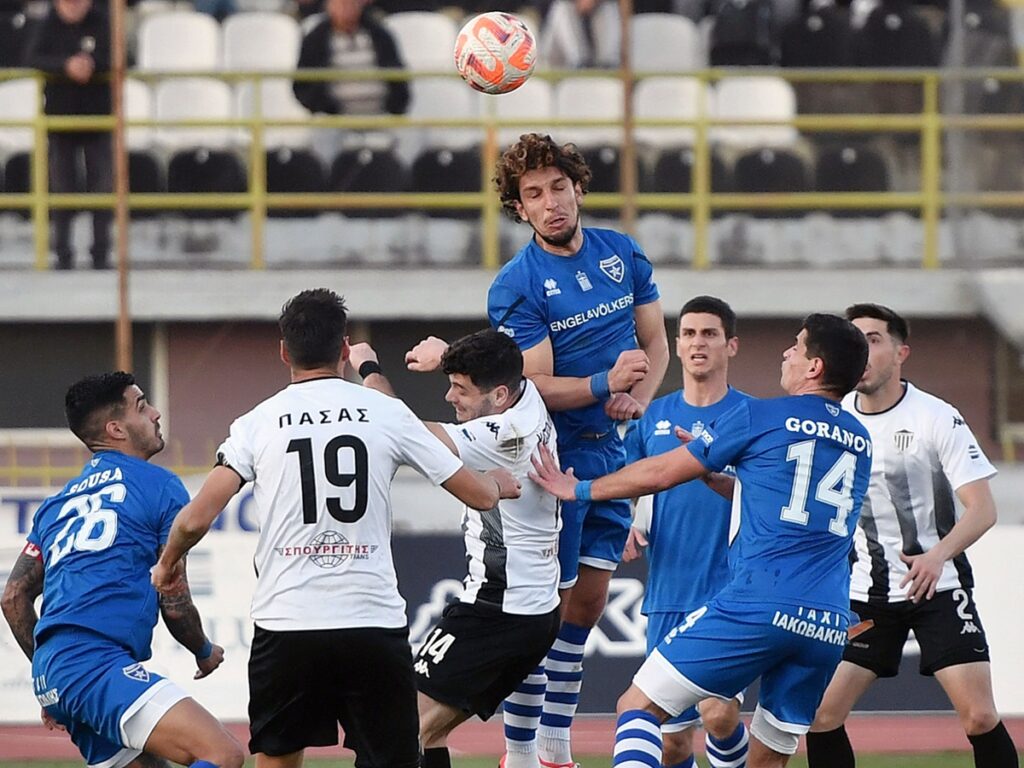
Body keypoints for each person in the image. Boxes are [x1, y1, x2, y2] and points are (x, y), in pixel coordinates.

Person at [151, 289, 521, 768]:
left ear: (284, 351)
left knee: (278, 760)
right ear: (345, 348)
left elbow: (195, 518)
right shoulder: (386, 413)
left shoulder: (256, 423)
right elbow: (477, 494)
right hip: (371, 620)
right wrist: (496, 484)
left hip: (287, 623)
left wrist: (167, 563)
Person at [531, 313, 872, 768]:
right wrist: (718, 478)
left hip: (759, 603)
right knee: (768, 760)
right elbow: (788, 500)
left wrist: (579, 489)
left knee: (637, 706)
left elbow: (660, 472)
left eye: (797, 346)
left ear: (814, 367)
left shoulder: (760, 414)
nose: (787, 353)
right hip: (826, 620)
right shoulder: (860, 439)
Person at [481, 131, 670, 768]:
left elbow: (655, 343)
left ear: (579, 188)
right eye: (534, 194)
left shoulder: (623, 252)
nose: (550, 202)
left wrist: (636, 398)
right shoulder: (517, 284)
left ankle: (556, 749)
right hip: (548, 461)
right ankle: (519, 753)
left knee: (587, 606)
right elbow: (530, 383)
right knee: (545, 610)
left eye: (558, 187)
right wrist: (602, 384)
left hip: (610, 454)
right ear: (520, 209)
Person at [806, 303, 1019, 768]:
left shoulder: (935, 417)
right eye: (855, 341)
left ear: (901, 352)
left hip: (938, 588)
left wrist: (937, 556)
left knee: (980, 717)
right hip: (864, 593)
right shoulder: (831, 418)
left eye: (874, 340)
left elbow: (982, 509)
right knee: (820, 715)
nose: (862, 351)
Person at [0, 372, 244, 768]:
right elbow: (173, 599)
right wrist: (202, 650)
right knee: (222, 754)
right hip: (95, 665)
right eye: (142, 406)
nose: (156, 413)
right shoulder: (159, 485)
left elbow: (13, 597)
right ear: (116, 429)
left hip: (56, 670)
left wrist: (50, 673)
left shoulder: (55, 505)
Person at [349, 328, 562, 768]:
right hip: (518, 608)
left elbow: (397, 429)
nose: (449, 397)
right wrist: (448, 355)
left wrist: (367, 367)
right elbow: (498, 362)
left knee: (398, 727)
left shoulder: (505, 432)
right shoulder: (525, 394)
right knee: (427, 730)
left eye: (460, 389)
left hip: (502, 612)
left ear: (499, 395)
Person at [621, 296, 750, 768]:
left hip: (730, 593)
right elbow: (622, 482)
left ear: (730, 345)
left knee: (718, 714)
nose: (699, 343)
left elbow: (767, 494)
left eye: (710, 334)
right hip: (668, 594)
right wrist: (623, 524)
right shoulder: (652, 418)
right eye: (690, 334)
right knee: (672, 744)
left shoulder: (752, 417)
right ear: (676, 346)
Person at [24, 0, 112, 270]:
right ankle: (62, 253)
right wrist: (65, 65)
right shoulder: (47, 23)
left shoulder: (102, 21)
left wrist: (92, 64)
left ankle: (101, 253)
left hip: (98, 118)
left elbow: (123, 56)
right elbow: (31, 57)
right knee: (62, 187)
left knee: (102, 186)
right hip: (60, 118)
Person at [292, 0, 409, 161]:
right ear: (330, 6)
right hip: (334, 119)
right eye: (340, 4)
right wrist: (323, 106)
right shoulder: (315, 39)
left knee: (408, 132)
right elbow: (301, 84)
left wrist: (394, 107)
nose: (346, 9)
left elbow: (399, 79)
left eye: (351, 4)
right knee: (320, 132)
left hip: (380, 116)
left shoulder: (380, 35)